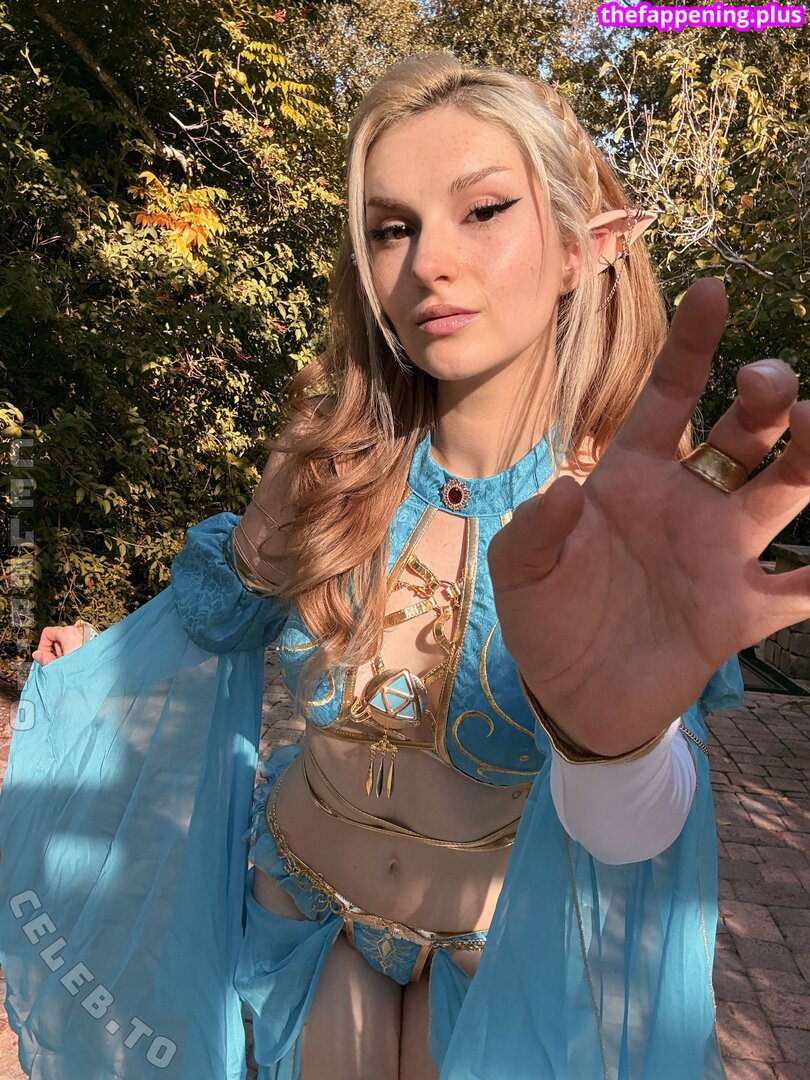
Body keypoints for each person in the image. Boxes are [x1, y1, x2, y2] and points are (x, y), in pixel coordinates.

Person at [1, 52, 807, 1080]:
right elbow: (217, 620)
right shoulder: (335, 466)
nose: (429, 261)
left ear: (581, 248)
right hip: (298, 915)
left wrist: (615, 750)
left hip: (494, 959)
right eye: (392, 227)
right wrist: (102, 662)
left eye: (483, 210)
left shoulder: (627, 522)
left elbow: (638, 837)